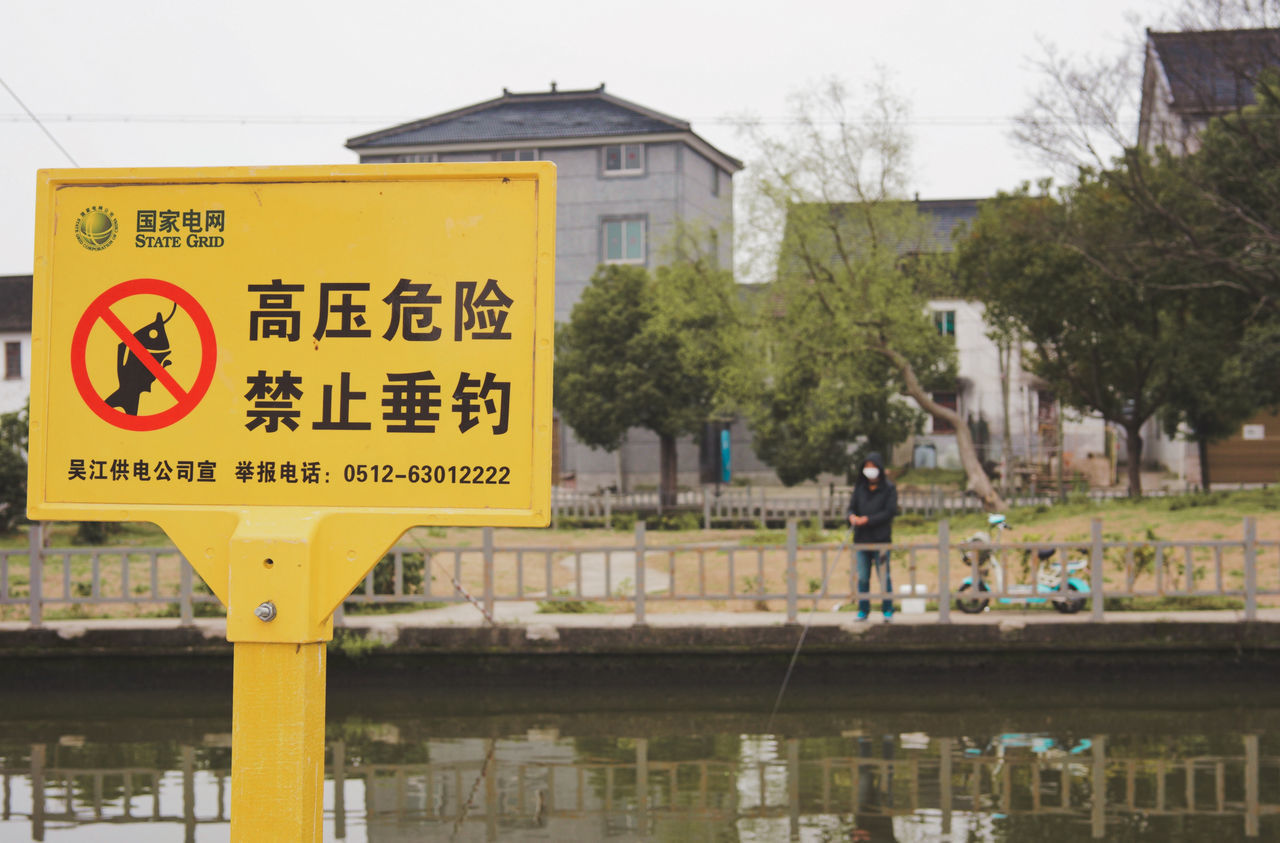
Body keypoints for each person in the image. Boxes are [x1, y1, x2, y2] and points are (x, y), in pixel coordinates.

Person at [846, 452, 898, 622]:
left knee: (883, 576)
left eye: (873, 467)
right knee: (862, 576)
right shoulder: (860, 488)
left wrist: (868, 520)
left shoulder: (889, 489)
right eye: (867, 467)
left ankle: (888, 610)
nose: (870, 470)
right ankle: (863, 609)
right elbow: (851, 507)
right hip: (861, 540)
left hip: (881, 539)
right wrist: (852, 517)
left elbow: (889, 512)